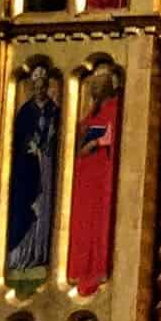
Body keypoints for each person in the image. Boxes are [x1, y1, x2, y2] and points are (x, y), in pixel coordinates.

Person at [65, 63, 123, 295]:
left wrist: (96, 142)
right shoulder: (94, 112)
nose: (94, 90)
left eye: (99, 85)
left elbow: (115, 136)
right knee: (82, 221)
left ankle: (96, 269)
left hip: (102, 176)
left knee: (99, 220)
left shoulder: (116, 108)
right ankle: (81, 270)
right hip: (85, 176)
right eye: (93, 86)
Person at [5, 60, 61, 280]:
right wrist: (29, 146)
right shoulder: (25, 112)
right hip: (28, 168)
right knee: (28, 205)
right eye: (36, 87)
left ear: (47, 87)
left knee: (45, 206)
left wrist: (47, 145)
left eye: (42, 86)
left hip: (47, 165)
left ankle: (40, 253)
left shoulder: (54, 110)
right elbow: (17, 139)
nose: (39, 90)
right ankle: (22, 254)